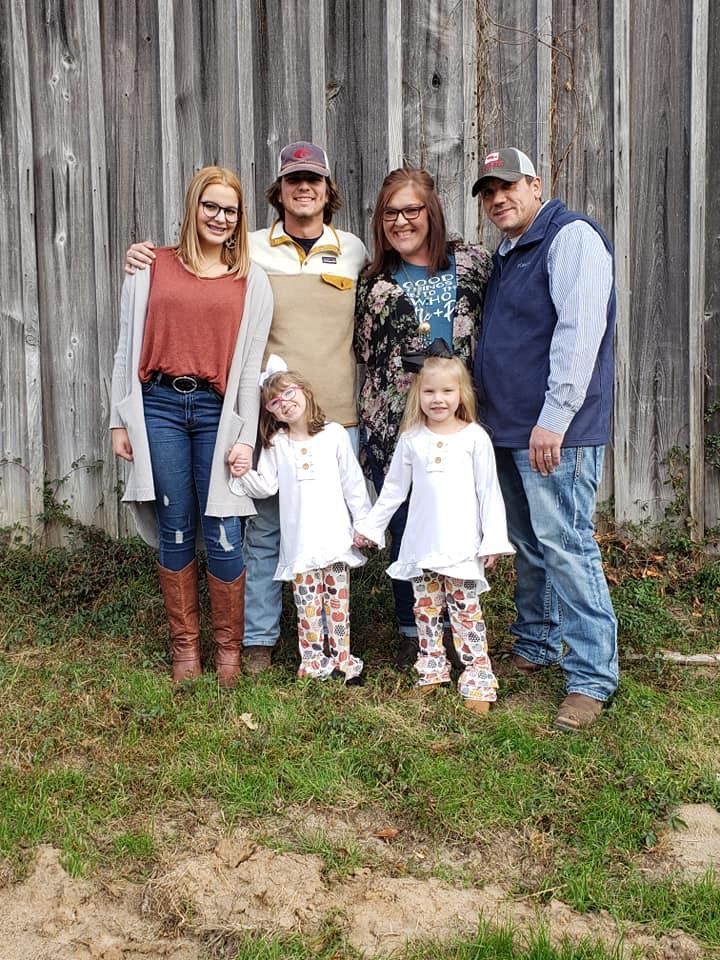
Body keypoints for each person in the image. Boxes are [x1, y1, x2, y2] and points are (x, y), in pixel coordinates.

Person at [124, 141, 368, 675]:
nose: (304, 188)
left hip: (335, 418)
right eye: (293, 180)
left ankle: (336, 638)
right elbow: (186, 274)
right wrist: (143, 254)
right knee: (259, 528)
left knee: (334, 529)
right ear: (277, 192)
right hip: (267, 415)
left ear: (330, 191)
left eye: (315, 180)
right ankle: (256, 640)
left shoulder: (353, 250)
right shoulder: (251, 249)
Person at [471, 147, 618, 731]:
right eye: (487, 192)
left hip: (555, 432)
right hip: (509, 428)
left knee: (567, 545)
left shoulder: (570, 237)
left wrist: (554, 417)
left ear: (535, 185)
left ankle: (591, 677)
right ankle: (535, 644)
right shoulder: (509, 252)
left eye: (507, 186)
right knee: (530, 544)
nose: (497, 199)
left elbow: (580, 332)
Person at [111, 165, 272, 687]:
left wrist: (246, 435)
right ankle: (185, 650)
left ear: (239, 217)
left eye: (230, 210)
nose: (220, 218)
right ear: (193, 208)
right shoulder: (149, 266)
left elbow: (250, 368)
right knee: (175, 524)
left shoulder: (252, 280)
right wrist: (120, 420)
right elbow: (125, 348)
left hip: (216, 414)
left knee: (224, 529)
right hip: (158, 405)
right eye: (211, 206)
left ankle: (228, 651)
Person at [354, 167, 493, 669]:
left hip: (458, 422)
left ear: (430, 211)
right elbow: (363, 351)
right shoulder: (372, 282)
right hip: (392, 425)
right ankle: (415, 630)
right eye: (390, 212)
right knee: (406, 524)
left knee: (459, 520)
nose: (401, 220)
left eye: (412, 209)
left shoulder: (474, 264)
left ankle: (462, 622)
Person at [354, 344, 513, 712]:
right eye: (429, 391)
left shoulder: (475, 437)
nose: (438, 399)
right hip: (422, 544)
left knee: (466, 613)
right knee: (426, 612)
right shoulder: (412, 440)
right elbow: (393, 491)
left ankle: (476, 678)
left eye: (446, 391)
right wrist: (370, 528)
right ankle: (432, 669)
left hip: (461, 546)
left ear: (461, 394)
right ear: (417, 394)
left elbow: (489, 492)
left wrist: (492, 539)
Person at [230, 364, 370, 684]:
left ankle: (343, 660)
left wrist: (363, 523)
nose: (285, 403)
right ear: (271, 412)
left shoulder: (333, 434)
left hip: (334, 540)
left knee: (337, 605)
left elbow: (353, 483)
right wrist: (242, 472)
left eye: (289, 393)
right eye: (275, 402)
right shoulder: (277, 444)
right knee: (307, 605)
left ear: (305, 391)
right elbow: (266, 486)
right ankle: (314, 662)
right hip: (302, 544)